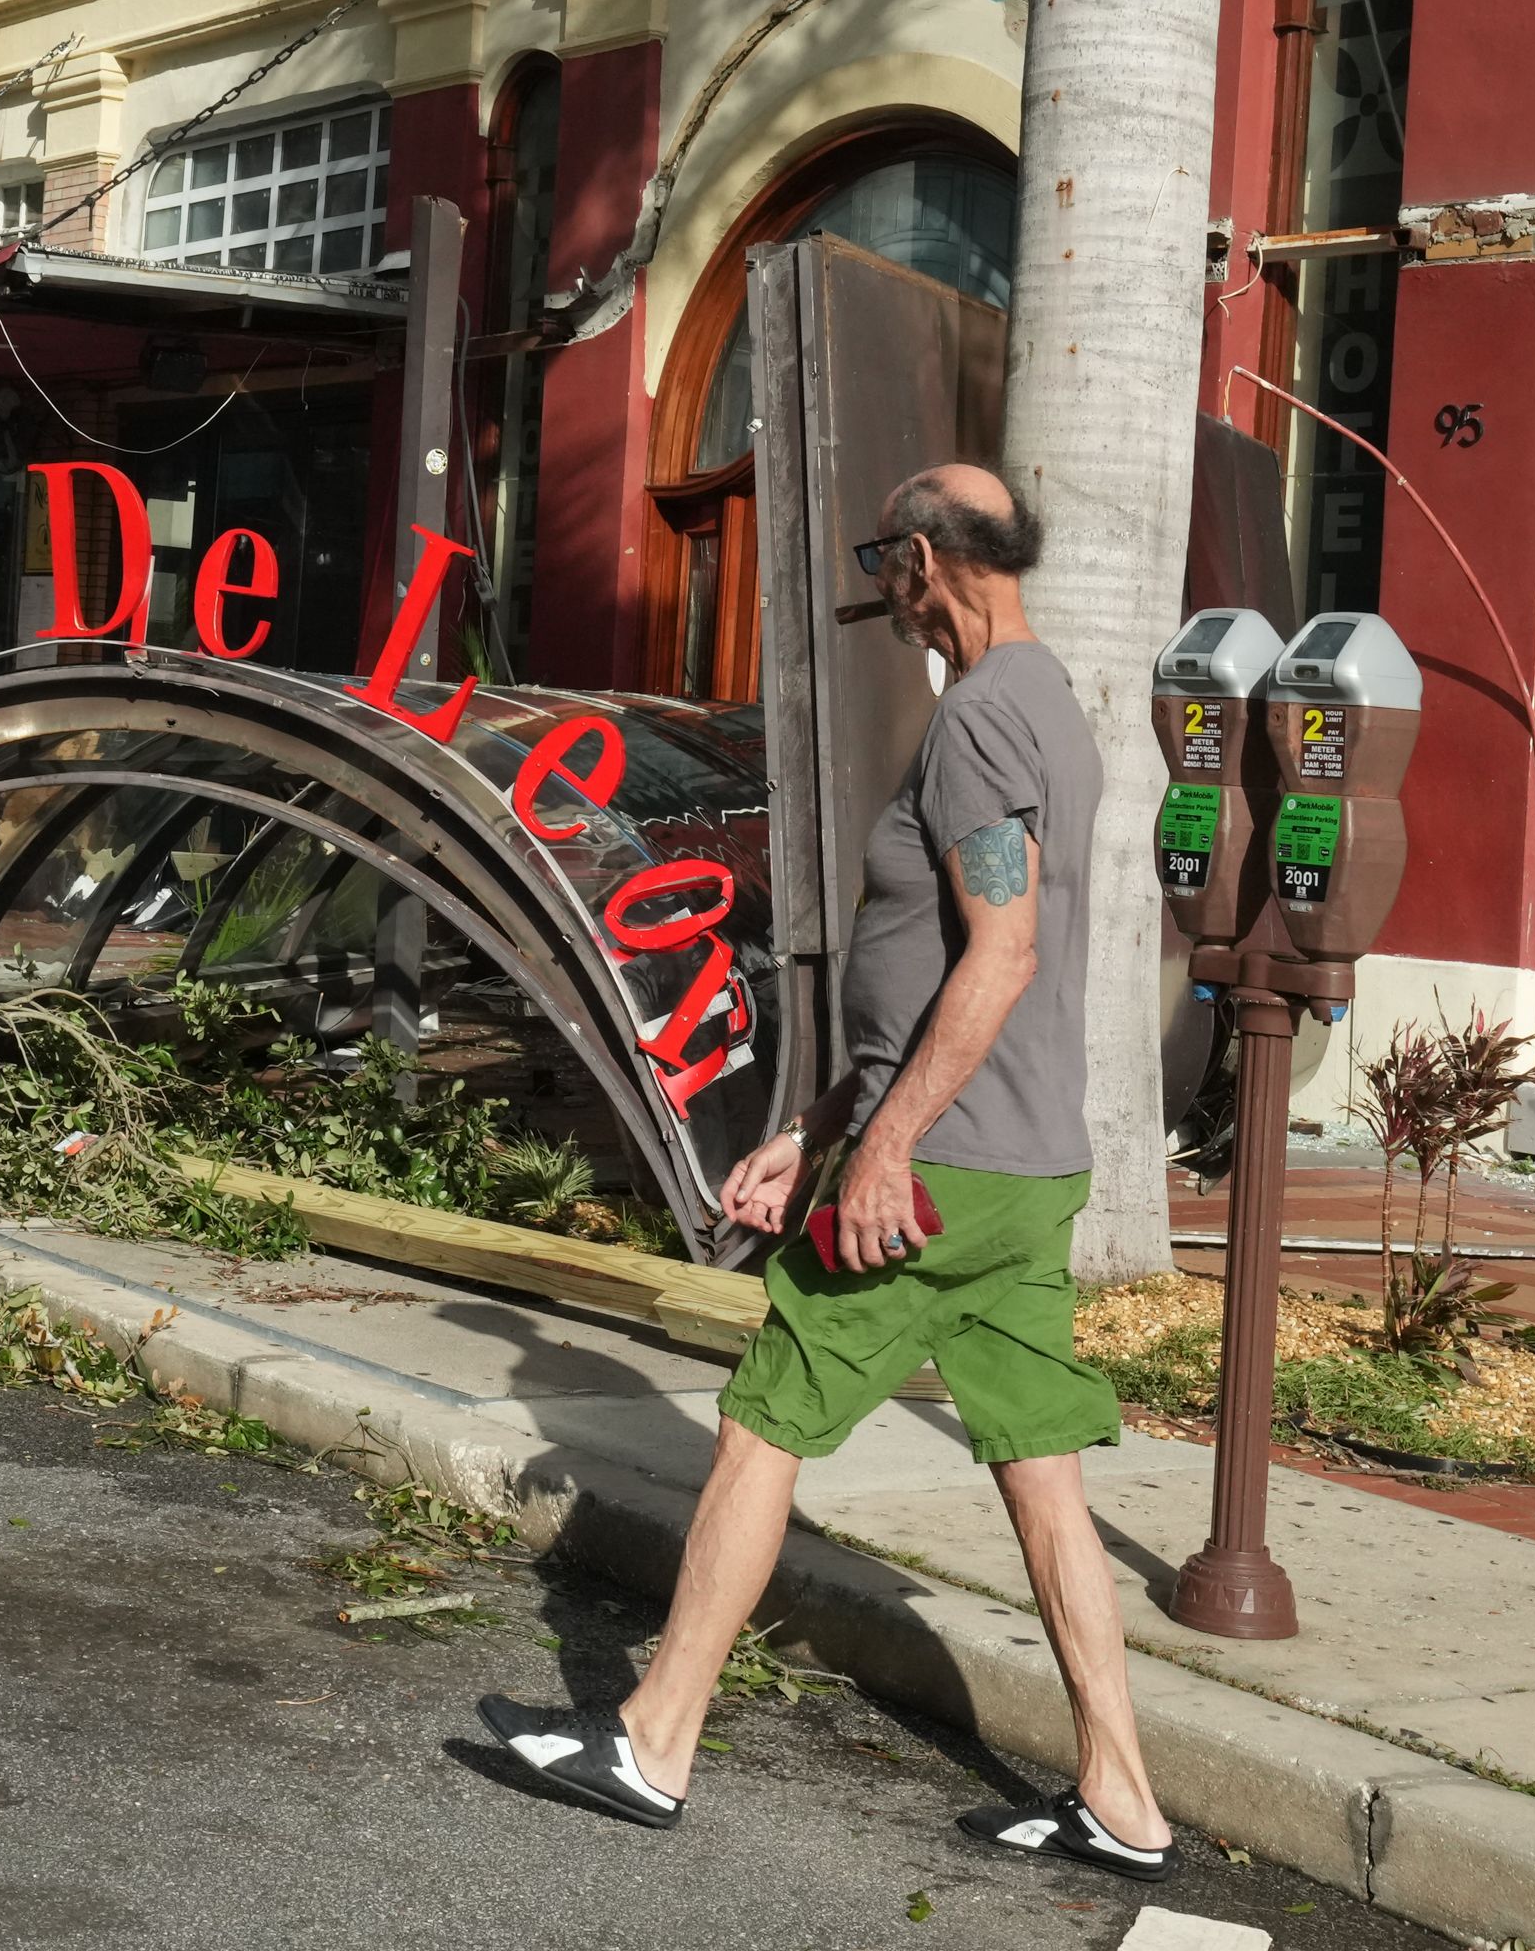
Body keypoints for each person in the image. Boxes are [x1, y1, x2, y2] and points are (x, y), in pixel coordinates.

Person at [476, 463, 1173, 1881]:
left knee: (763, 1426)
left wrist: (886, 1150)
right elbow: (934, 975)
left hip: (946, 1169)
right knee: (1040, 1472)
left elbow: (1001, 955)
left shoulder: (979, 720)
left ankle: (654, 1740)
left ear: (920, 558)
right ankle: (1123, 1797)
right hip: (1026, 1163)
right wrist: (816, 1130)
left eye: (880, 558)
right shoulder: (1051, 704)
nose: (880, 584)